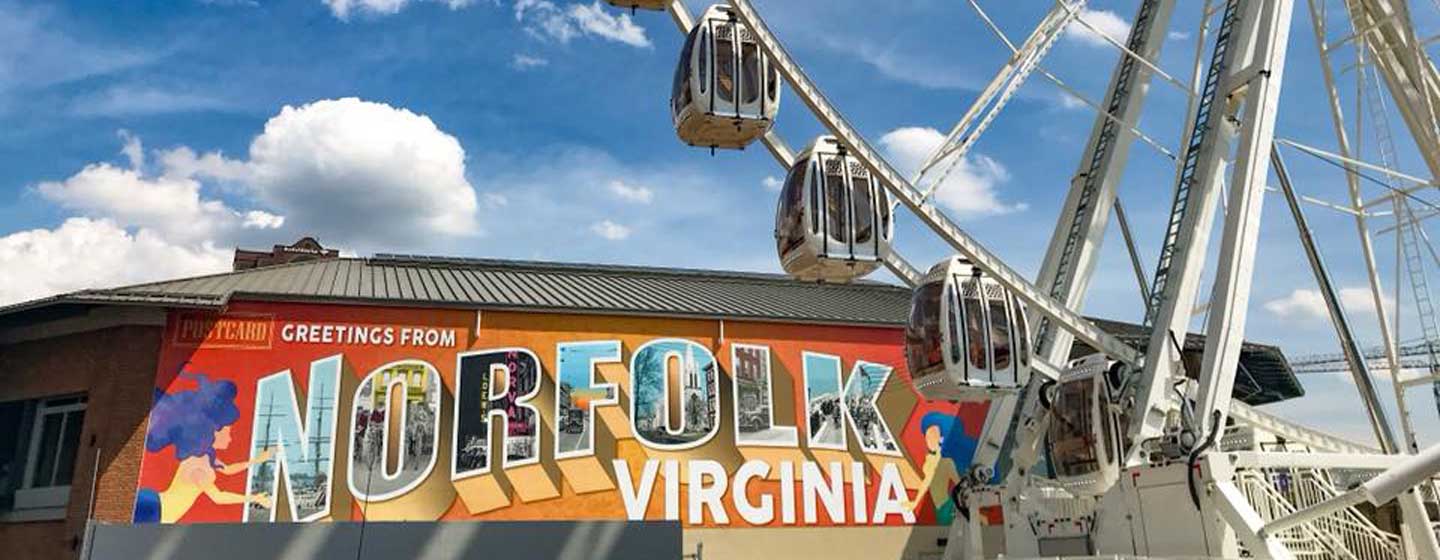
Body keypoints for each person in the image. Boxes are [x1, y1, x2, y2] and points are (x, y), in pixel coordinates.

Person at [134, 372, 274, 523]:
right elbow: (218, 497)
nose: (230, 439)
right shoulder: (198, 467)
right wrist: (255, 498)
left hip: (154, 507)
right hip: (153, 511)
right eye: (228, 433)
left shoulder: (204, 457)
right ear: (213, 432)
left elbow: (229, 469)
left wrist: (258, 459)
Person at [907, 411, 978, 526]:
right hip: (940, 507)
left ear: (941, 438)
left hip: (946, 506)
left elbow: (958, 482)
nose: (929, 439)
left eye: (933, 435)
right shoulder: (930, 459)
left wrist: (915, 503)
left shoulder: (945, 461)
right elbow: (927, 480)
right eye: (927, 435)